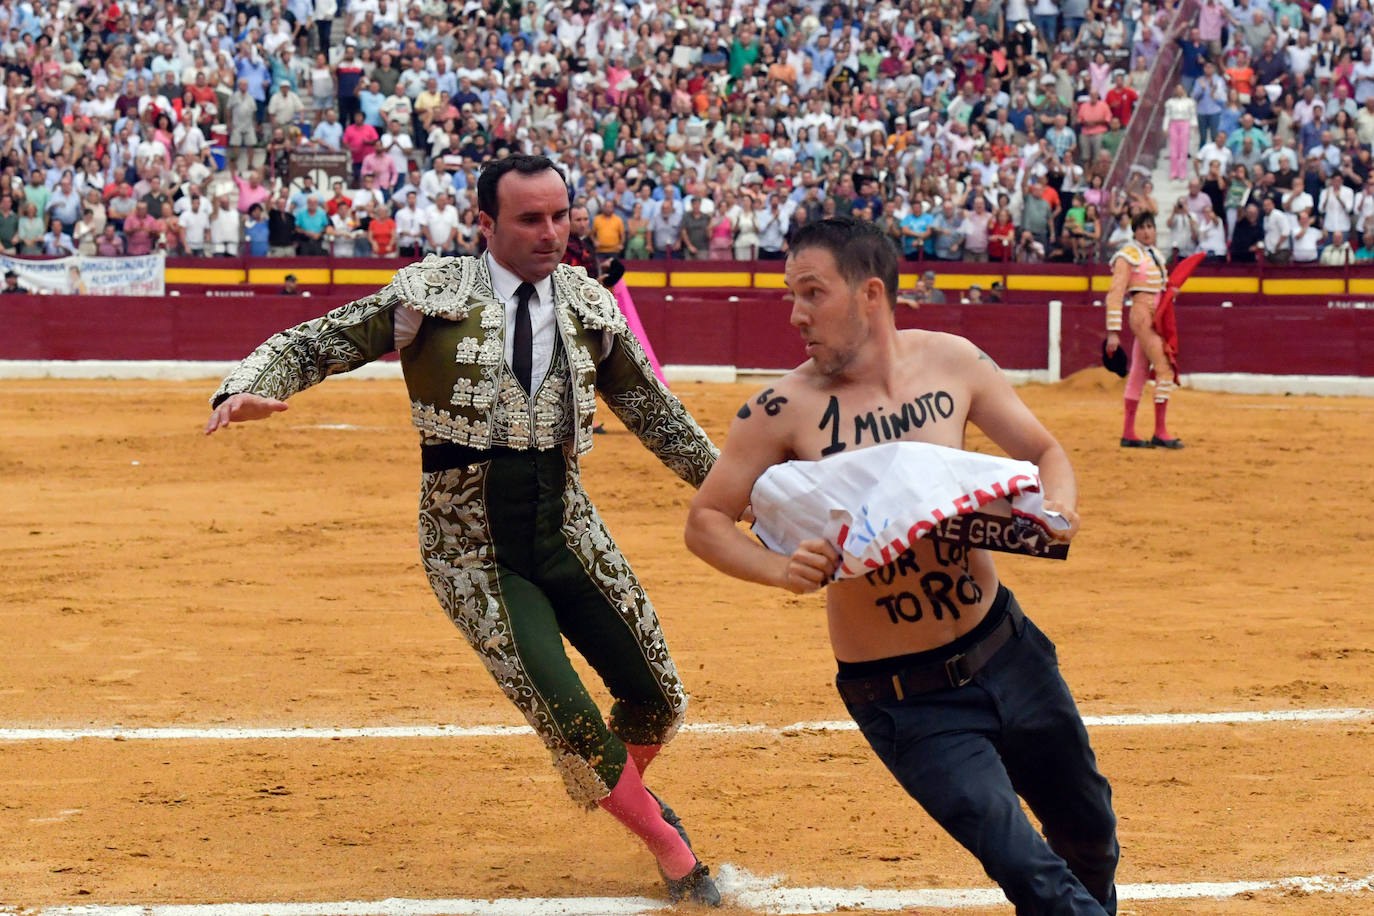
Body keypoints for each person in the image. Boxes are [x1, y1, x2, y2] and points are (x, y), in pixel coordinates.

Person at [203, 155, 723, 907]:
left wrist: (749, 497)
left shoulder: (588, 305)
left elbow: (658, 417)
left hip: (568, 530)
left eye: (561, 215)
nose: (552, 234)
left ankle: (625, 793)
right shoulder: (429, 294)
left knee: (658, 700)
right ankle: (670, 846)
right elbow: (316, 342)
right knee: (567, 711)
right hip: (469, 548)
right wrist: (248, 386)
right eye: (530, 219)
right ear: (485, 224)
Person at [683, 217, 1119, 915]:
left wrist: (1056, 512)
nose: (796, 315)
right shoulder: (778, 410)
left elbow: (1044, 453)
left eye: (812, 294)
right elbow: (706, 522)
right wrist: (781, 567)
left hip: (1009, 652)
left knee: (1092, 838)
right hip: (906, 698)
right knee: (1029, 869)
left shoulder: (955, 364)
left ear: (870, 294)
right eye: (791, 295)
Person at [1104, 212, 1183, 449]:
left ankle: (1129, 433)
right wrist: (1113, 332)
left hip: (1155, 315)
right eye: (1142, 228)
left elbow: (1160, 288)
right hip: (1142, 314)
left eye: (1150, 227)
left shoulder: (1155, 255)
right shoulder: (1126, 256)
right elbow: (1116, 293)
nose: (1147, 231)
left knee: (1139, 371)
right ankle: (1160, 431)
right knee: (1165, 369)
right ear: (1135, 231)